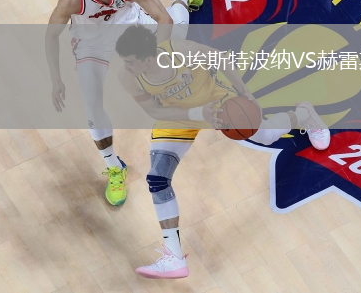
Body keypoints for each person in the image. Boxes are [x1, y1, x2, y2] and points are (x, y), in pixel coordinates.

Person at [115, 25, 330, 279]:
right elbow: (155, 111)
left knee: (267, 135)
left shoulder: (181, 52)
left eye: (130, 62)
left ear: (149, 59)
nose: (126, 67)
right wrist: (196, 114)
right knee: (158, 179)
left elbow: (219, 59)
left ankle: (303, 115)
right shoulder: (129, 77)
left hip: (217, 105)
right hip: (179, 117)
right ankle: (173, 257)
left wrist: (245, 94)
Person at [45, 0, 203, 206]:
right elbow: (50, 36)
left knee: (177, 33)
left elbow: (162, 20)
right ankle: (114, 167)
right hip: (92, 46)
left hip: (132, 30)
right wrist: (56, 79)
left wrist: (154, 58)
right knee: (92, 104)